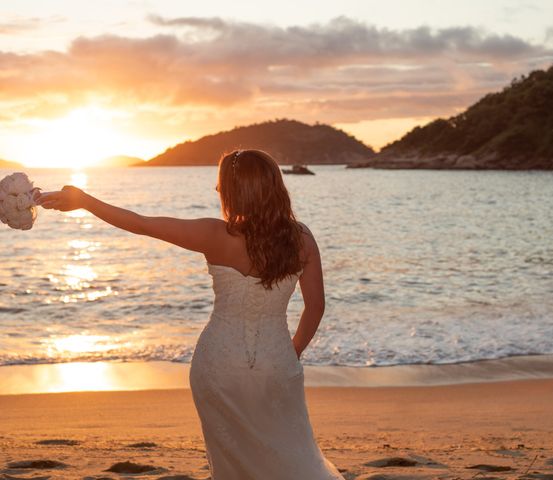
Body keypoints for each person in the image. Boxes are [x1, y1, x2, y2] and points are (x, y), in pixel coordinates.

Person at [36, 149, 345, 479]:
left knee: (233, 460)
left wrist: (85, 201)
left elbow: (141, 224)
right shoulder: (302, 239)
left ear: (236, 192)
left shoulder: (213, 235)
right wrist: (291, 351)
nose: (216, 191)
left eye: (220, 185)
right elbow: (316, 306)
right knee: (288, 450)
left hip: (218, 363)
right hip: (276, 360)